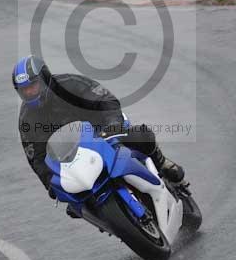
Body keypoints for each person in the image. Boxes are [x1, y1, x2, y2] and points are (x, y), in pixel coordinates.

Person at [13, 55, 185, 196]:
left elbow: (105, 100)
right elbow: (36, 156)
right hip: (71, 156)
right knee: (73, 200)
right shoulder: (27, 118)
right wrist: (50, 184)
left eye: (33, 86)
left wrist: (112, 125)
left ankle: (162, 163)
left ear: (45, 78)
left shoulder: (70, 83)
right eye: (24, 90)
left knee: (141, 135)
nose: (29, 92)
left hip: (102, 132)